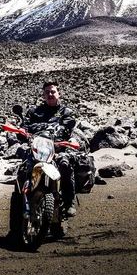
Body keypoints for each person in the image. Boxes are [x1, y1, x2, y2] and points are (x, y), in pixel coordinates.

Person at [20, 81, 79, 218]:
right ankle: (21, 201)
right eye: (47, 92)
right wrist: (22, 133)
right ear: (43, 95)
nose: (50, 94)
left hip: (58, 149)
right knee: (23, 169)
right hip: (37, 148)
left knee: (65, 165)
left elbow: (66, 128)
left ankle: (69, 201)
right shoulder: (34, 111)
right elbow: (25, 128)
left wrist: (41, 128)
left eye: (53, 92)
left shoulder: (66, 112)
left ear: (59, 94)